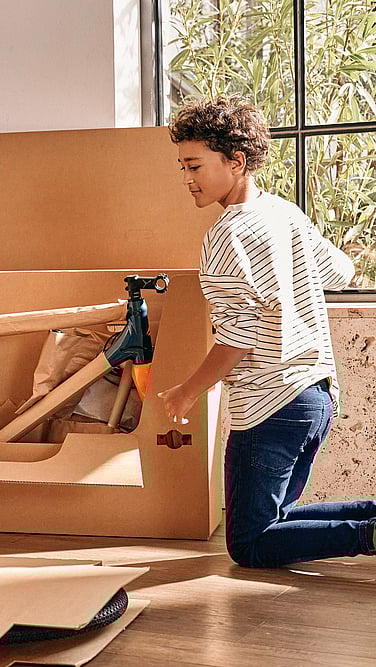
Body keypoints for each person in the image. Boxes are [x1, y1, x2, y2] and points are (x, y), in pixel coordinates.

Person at [158, 95, 376, 568]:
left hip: (270, 403)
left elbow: (240, 336)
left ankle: (369, 536)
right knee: (277, 519)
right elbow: (340, 270)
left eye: (194, 165)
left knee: (250, 544)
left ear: (236, 162)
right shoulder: (284, 213)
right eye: (182, 167)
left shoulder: (227, 234)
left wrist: (188, 391)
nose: (186, 179)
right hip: (316, 395)